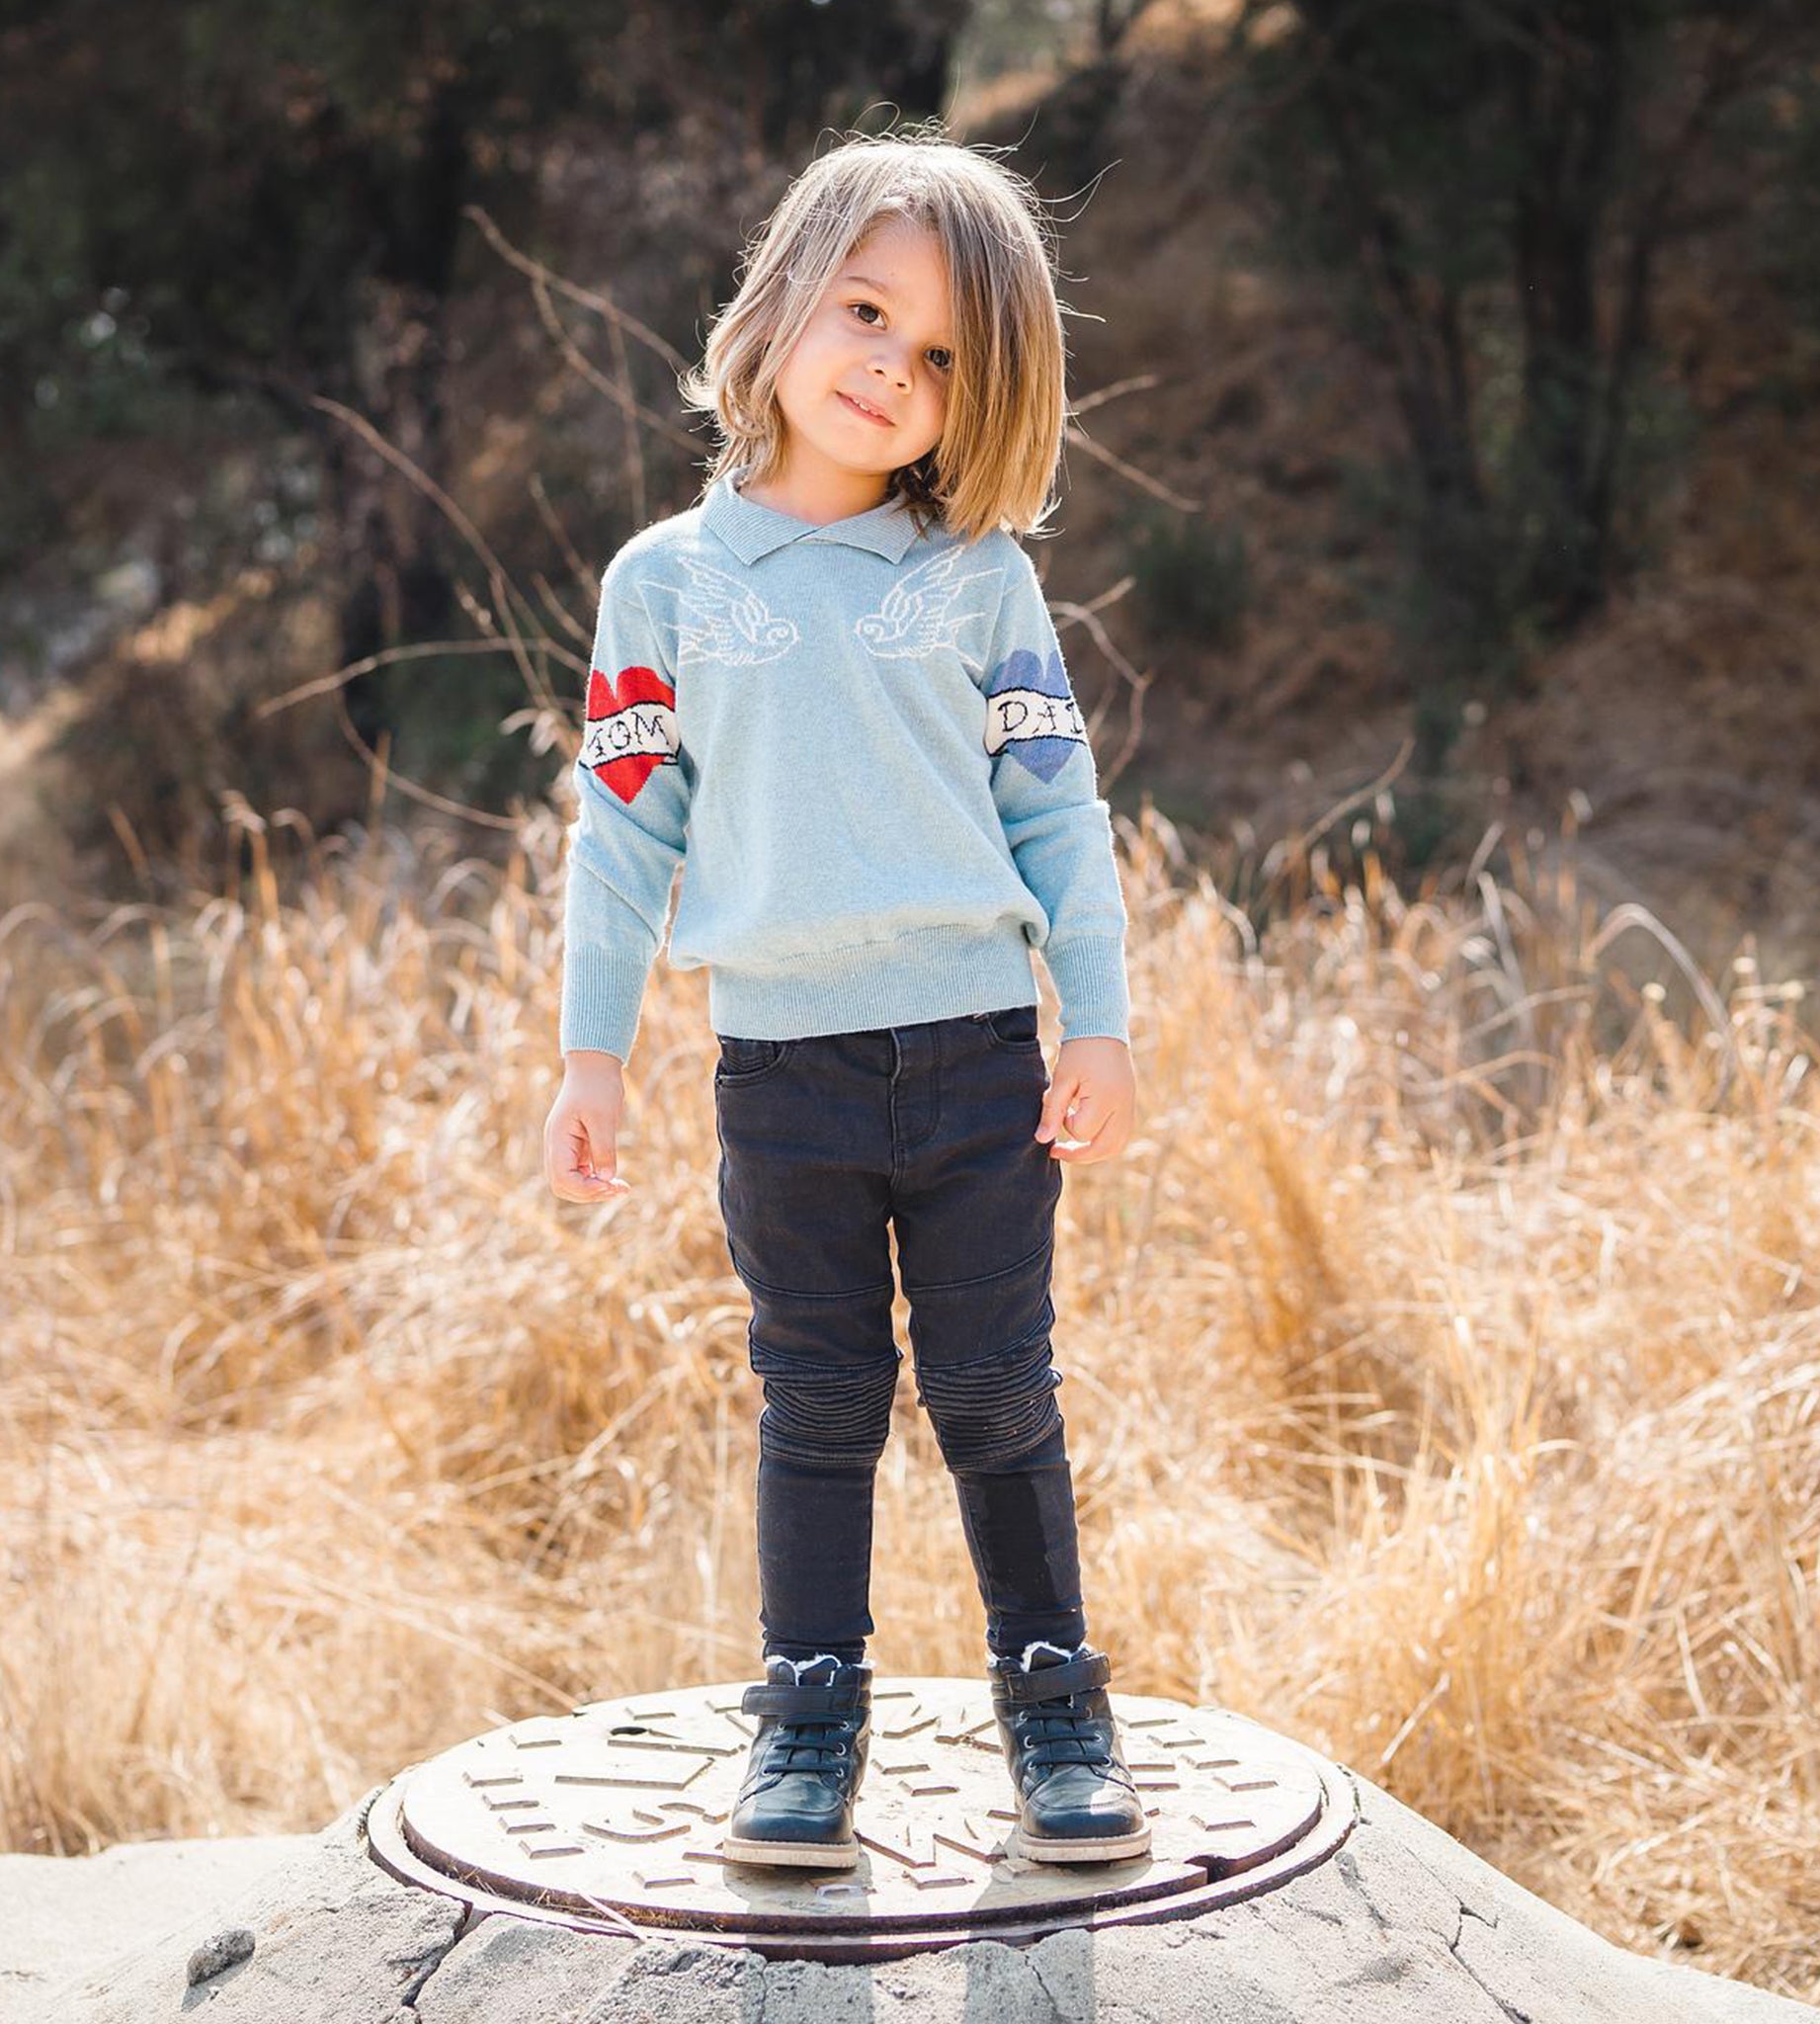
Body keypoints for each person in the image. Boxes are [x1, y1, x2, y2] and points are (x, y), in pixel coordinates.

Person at [541, 125, 1150, 1874]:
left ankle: (1054, 1702)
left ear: (987, 393)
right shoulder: (665, 584)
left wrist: (1092, 1019)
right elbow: (622, 833)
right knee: (815, 1400)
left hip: (974, 1063)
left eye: (945, 353)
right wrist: (594, 1056)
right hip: (779, 1074)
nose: (893, 365)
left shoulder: (980, 584)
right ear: (785, 303)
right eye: (869, 310)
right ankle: (806, 1718)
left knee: (995, 1389)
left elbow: (1057, 812)